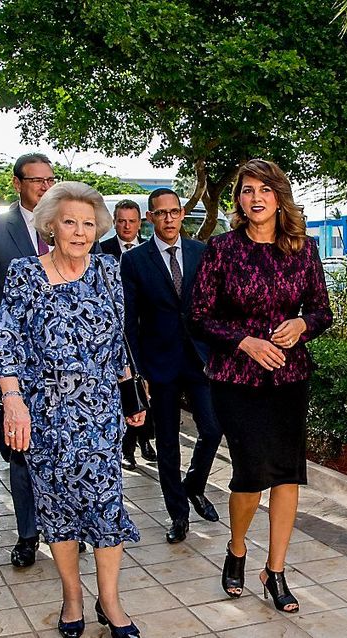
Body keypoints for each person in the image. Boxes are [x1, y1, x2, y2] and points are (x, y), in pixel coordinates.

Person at [0, 181, 143, 638]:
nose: (79, 232)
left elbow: (118, 340)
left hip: (99, 412)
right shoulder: (24, 273)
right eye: (69, 222)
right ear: (50, 226)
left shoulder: (107, 271)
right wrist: (13, 402)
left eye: (87, 224)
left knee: (105, 504)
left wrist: (131, 394)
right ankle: (72, 598)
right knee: (56, 508)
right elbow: (6, 342)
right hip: (44, 411)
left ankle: (111, 601)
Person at [189, 159, 332, 613]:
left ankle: (276, 571)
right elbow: (198, 315)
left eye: (264, 190)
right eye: (247, 190)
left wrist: (301, 325)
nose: (255, 198)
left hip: (289, 378)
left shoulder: (303, 249)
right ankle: (236, 549)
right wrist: (245, 342)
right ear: (239, 199)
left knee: (288, 474)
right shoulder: (221, 249)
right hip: (237, 379)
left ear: (279, 197)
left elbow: (323, 311)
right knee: (251, 474)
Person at [0, 152, 81, 568]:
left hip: (71, 363)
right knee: (22, 448)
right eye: (36, 180)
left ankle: (67, 527)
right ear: (17, 184)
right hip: (20, 362)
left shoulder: (71, 226)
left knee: (69, 445)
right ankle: (29, 534)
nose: (44, 187)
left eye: (50, 179)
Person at [120, 188, 222, 544]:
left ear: (182, 215)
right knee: (167, 443)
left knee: (212, 429)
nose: (168, 219)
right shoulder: (134, 262)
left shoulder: (202, 253)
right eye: (160, 213)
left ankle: (194, 485)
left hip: (199, 359)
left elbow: (214, 307)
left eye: (174, 212)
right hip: (158, 365)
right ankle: (178, 515)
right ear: (150, 218)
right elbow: (129, 322)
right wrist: (136, 371)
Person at [100, 199, 157, 471]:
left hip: (147, 331)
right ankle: (127, 448)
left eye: (131, 221)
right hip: (116, 333)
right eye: (121, 221)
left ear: (140, 222)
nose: (126, 226)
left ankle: (147, 440)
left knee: (148, 388)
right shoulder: (102, 251)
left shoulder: (149, 250)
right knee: (127, 388)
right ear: (114, 221)